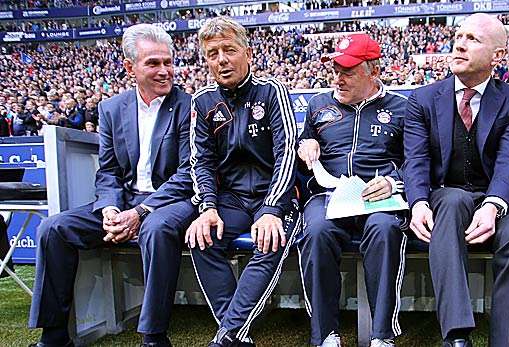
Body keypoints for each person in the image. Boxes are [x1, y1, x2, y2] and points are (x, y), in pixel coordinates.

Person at [28, 24, 195, 347]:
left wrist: (141, 211)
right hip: (126, 201)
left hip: (171, 202)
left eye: (168, 62)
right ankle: (54, 335)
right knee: (53, 228)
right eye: (153, 63)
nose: (165, 71)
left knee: (155, 228)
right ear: (129, 66)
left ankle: (153, 335)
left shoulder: (190, 106)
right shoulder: (111, 109)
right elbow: (108, 172)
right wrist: (110, 209)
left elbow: (188, 174)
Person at [403, 13, 509, 347]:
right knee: (452, 200)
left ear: (498, 56)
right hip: (446, 198)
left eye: (473, 39)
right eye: (459, 36)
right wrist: (418, 202)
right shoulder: (422, 99)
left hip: (495, 199)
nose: (459, 44)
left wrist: (493, 205)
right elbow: (416, 160)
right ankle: (457, 336)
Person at [186, 17, 300, 347]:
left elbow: (287, 154)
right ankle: (234, 332)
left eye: (229, 50)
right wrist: (207, 207)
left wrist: (271, 208)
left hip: (274, 195)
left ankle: (227, 335)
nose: (221, 59)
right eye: (212, 53)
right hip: (231, 198)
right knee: (200, 237)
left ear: (247, 53)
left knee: (269, 238)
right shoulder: (203, 102)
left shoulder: (272, 91)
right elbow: (201, 161)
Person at [296, 33, 408, 347]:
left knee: (385, 229)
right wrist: (305, 146)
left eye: (348, 72)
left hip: (380, 196)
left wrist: (393, 181)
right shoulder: (319, 104)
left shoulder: (401, 108)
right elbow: (301, 148)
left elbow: (417, 161)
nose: (338, 79)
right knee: (316, 231)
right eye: (336, 71)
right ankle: (325, 335)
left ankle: (382, 336)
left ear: (374, 72)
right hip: (328, 196)